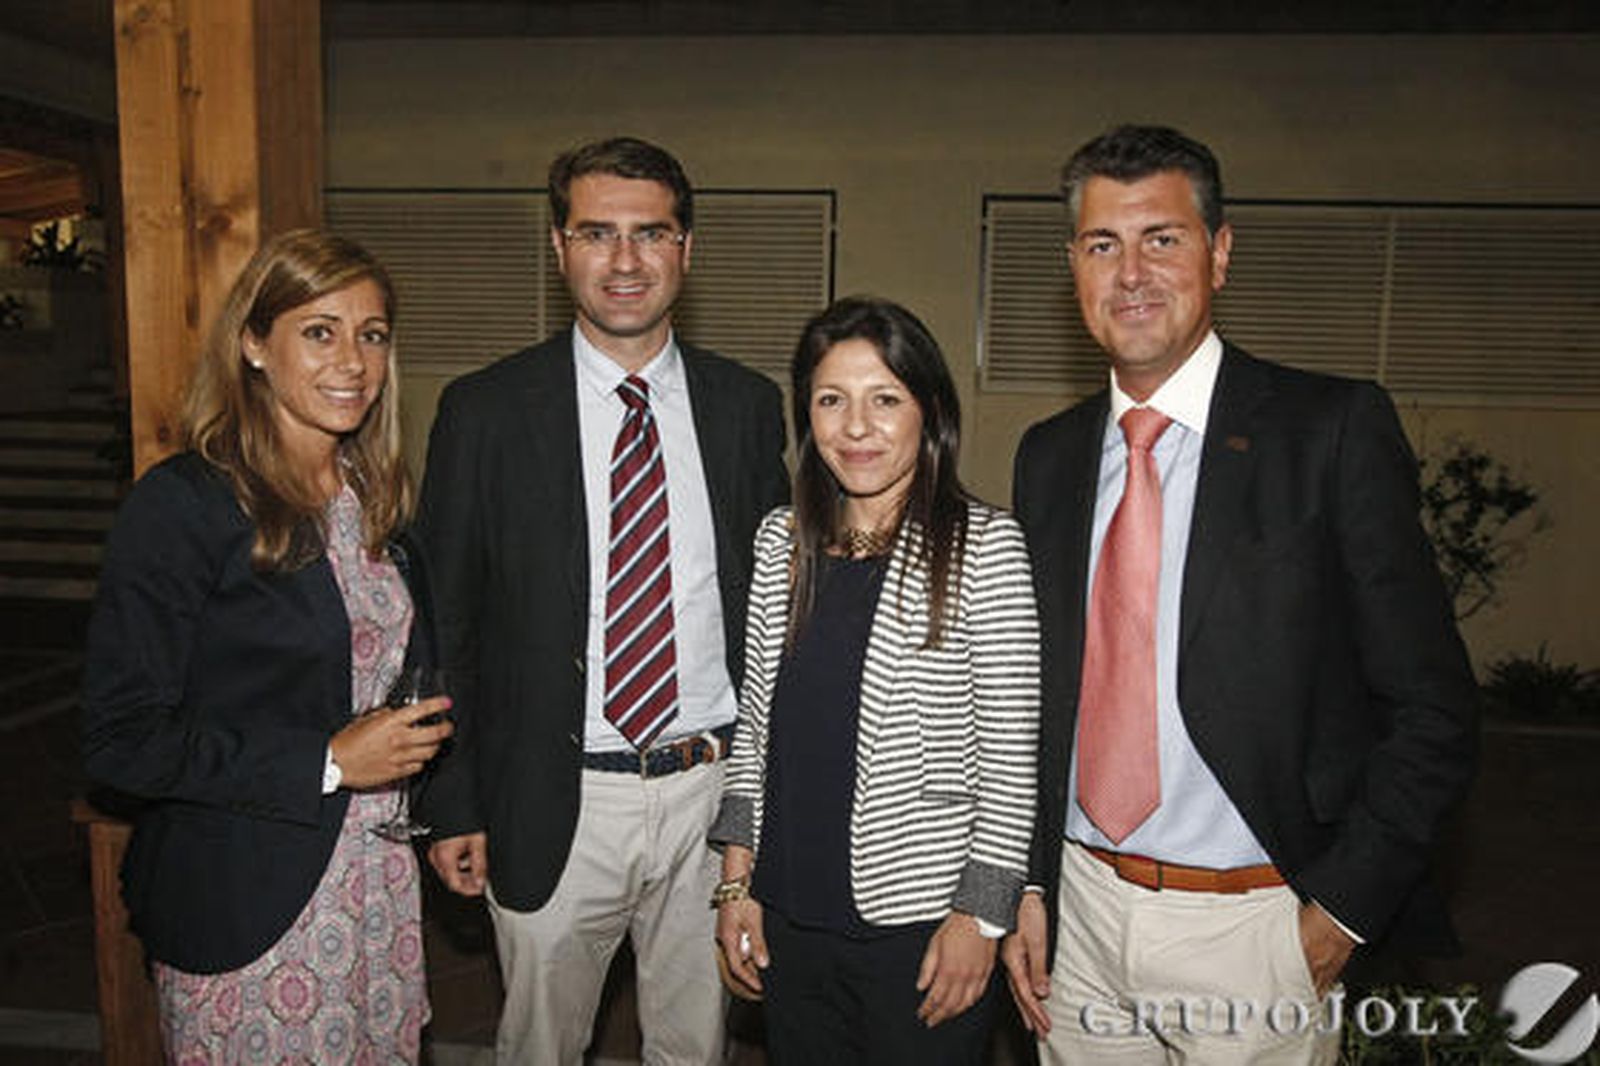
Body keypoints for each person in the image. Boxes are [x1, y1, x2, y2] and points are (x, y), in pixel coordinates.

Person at [1003, 124, 1480, 1064]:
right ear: (1074, 267)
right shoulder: (1048, 458)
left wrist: (1338, 911)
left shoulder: (1329, 433)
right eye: (1103, 244)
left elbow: (1434, 710)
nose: (1131, 271)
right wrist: (1027, 887)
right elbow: (1039, 698)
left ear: (1220, 253)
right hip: (1083, 920)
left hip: (1256, 928)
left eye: (1163, 239)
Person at [415, 135, 789, 1064]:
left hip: (711, 796)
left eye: (650, 234)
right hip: (552, 795)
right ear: (560, 248)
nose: (625, 261)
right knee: (539, 1046)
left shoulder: (744, 406)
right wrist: (453, 797)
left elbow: (779, 602)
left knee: (696, 1047)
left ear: (686, 250)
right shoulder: (484, 410)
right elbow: (446, 615)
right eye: (597, 233)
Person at [82, 229, 453, 1063]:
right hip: (251, 901)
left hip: (376, 883)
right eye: (319, 332)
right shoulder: (184, 504)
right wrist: (325, 761)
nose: (352, 359)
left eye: (372, 333)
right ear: (254, 344)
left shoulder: (374, 496)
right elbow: (121, 741)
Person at [710, 296, 1040, 1064]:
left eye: (884, 399)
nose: (856, 427)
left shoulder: (985, 549)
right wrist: (735, 887)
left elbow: (1010, 759)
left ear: (929, 412)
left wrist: (980, 919)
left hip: (922, 925)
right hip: (789, 914)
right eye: (831, 400)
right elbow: (756, 730)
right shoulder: (778, 542)